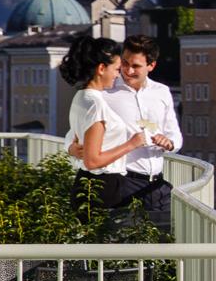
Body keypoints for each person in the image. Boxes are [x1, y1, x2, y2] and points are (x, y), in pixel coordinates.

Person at [61, 37, 156, 210]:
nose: (118, 75)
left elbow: (76, 137)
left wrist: (70, 148)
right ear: (101, 68)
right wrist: (131, 144)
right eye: (117, 69)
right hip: (103, 187)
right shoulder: (96, 105)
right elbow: (92, 161)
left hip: (89, 184)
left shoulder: (82, 97)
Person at [103, 40, 180, 214]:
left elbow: (174, 133)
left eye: (136, 66)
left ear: (151, 66)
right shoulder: (105, 92)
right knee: (126, 239)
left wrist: (170, 143)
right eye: (125, 63)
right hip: (123, 183)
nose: (128, 71)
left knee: (165, 238)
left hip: (158, 186)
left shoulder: (162, 91)